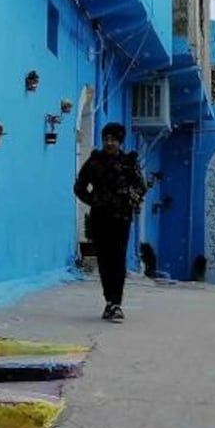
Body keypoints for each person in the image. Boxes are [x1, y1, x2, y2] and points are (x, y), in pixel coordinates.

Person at [73, 122, 147, 322]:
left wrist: (131, 200)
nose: (109, 143)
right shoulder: (94, 162)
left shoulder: (129, 162)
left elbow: (141, 186)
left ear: (120, 142)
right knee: (105, 260)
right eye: (106, 139)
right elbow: (80, 187)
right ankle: (109, 301)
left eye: (113, 139)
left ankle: (116, 303)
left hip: (121, 217)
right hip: (100, 217)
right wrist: (95, 201)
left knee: (118, 259)